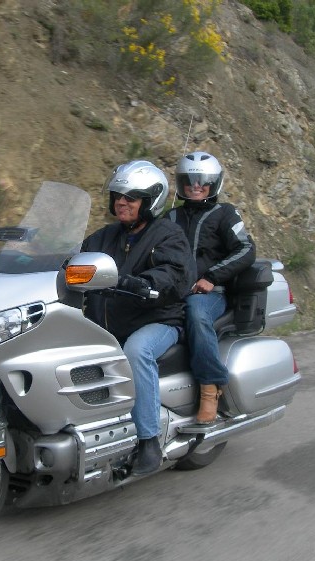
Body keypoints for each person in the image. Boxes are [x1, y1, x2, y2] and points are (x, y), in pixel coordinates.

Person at [81, 160, 195, 475]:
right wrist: (30, 260)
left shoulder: (168, 234)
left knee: (137, 351)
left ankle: (148, 442)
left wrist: (144, 283)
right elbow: (74, 259)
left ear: (150, 201)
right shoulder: (104, 237)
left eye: (131, 197)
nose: (122, 202)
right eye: (118, 195)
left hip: (158, 321)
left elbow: (175, 272)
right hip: (108, 324)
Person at [166, 151, 256, 424]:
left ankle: (210, 387)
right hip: (173, 292)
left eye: (203, 180)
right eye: (189, 179)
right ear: (181, 183)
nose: (196, 185)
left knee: (196, 312)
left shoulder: (225, 213)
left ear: (214, 183)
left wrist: (212, 277)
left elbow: (246, 249)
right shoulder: (170, 217)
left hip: (210, 294)